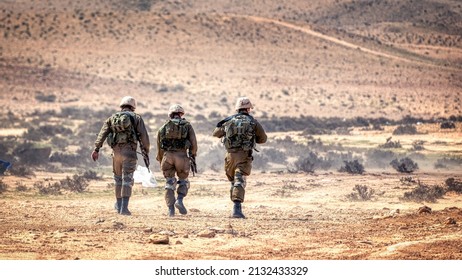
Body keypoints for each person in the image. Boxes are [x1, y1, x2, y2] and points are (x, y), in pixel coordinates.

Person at [91, 96, 150, 216]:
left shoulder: (112, 118)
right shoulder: (136, 118)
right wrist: (146, 151)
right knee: (127, 179)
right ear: (133, 106)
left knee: (118, 179)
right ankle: (124, 208)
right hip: (129, 152)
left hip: (116, 153)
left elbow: (102, 134)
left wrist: (96, 149)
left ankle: (118, 206)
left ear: (121, 106)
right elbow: (144, 137)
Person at [212, 97, 267, 218]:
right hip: (244, 156)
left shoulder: (228, 121)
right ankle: (237, 209)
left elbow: (215, 133)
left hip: (230, 156)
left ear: (237, 109)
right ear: (248, 109)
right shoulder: (253, 122)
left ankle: (235, 207)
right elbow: (263, 139)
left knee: (234, 181)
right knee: (239, 181)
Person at [156, 104, 197, 217]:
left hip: (167, 157)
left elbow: (159, 146)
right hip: (182, 157)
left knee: (169, 183)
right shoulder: (187, 125)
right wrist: (192, 156)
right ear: (181, 114)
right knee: (183, 180)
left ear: (170, 114)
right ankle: (179, 200)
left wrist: (161, 160)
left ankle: (171, 210)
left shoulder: (164, 127)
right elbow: (193, 143)